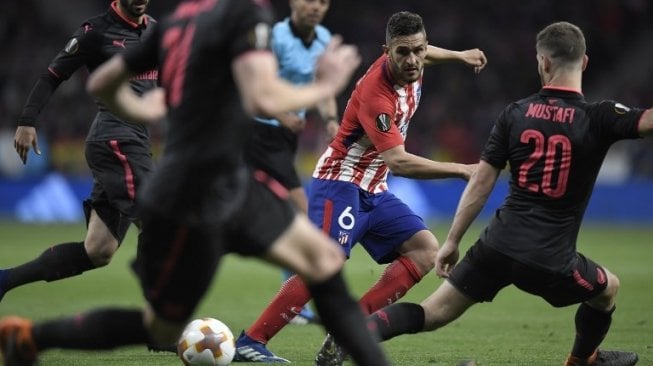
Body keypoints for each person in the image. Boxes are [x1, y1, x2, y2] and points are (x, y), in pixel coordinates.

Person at [0, 1, 392, 366]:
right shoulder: (244, 13)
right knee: (161, 327)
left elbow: (101, 82)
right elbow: (260, 94)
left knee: (322, 260)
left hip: (230, 180)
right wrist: (325, 85)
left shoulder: (172, 23)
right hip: (189, 194)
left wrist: (142, 108)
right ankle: (32, 337)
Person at [364, 21, 648, 366]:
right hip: (550, 258)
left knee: (431, 313)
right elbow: (646, 121)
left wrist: (452, 242)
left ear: (542, 62)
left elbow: (481, 183)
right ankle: (582, 360)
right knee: (608, 290)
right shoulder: (599, 116)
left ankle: (354, 333)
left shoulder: (516, 113)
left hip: (495, 246)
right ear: (584, 62)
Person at [233, 11, 487, 364]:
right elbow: (399, 161)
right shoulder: (376, 93)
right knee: (323, 263)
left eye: (419, 50)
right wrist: (461, 169)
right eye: (403, 53)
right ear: (387, 51)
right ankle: (251, 341)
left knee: (425, 251)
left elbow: (426, 53)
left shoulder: (415, 59)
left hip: (373, 186)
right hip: (339, 181)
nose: (413, 60)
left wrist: (459, 55)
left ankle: (351, 329)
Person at [0, 0, 157, 303]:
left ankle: (5, 279)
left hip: (135, 141)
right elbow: (52, 75)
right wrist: (27, 121)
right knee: (158, 220)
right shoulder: (95, 31)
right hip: (115, 140)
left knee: (99, 249)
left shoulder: (156, 32)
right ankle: (161, 321)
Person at [244, 0, 339, 326]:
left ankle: (293, 298)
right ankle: (297, 300)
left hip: (285, 138)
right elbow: (255, 86)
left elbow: (324, 87)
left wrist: (330, 120)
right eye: (309, 0)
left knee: (282, 214)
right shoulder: (275, 36)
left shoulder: (324, 38)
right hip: (259, 131)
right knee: (305, 212)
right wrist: (283, 114)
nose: (315, 6)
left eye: (323, 1)